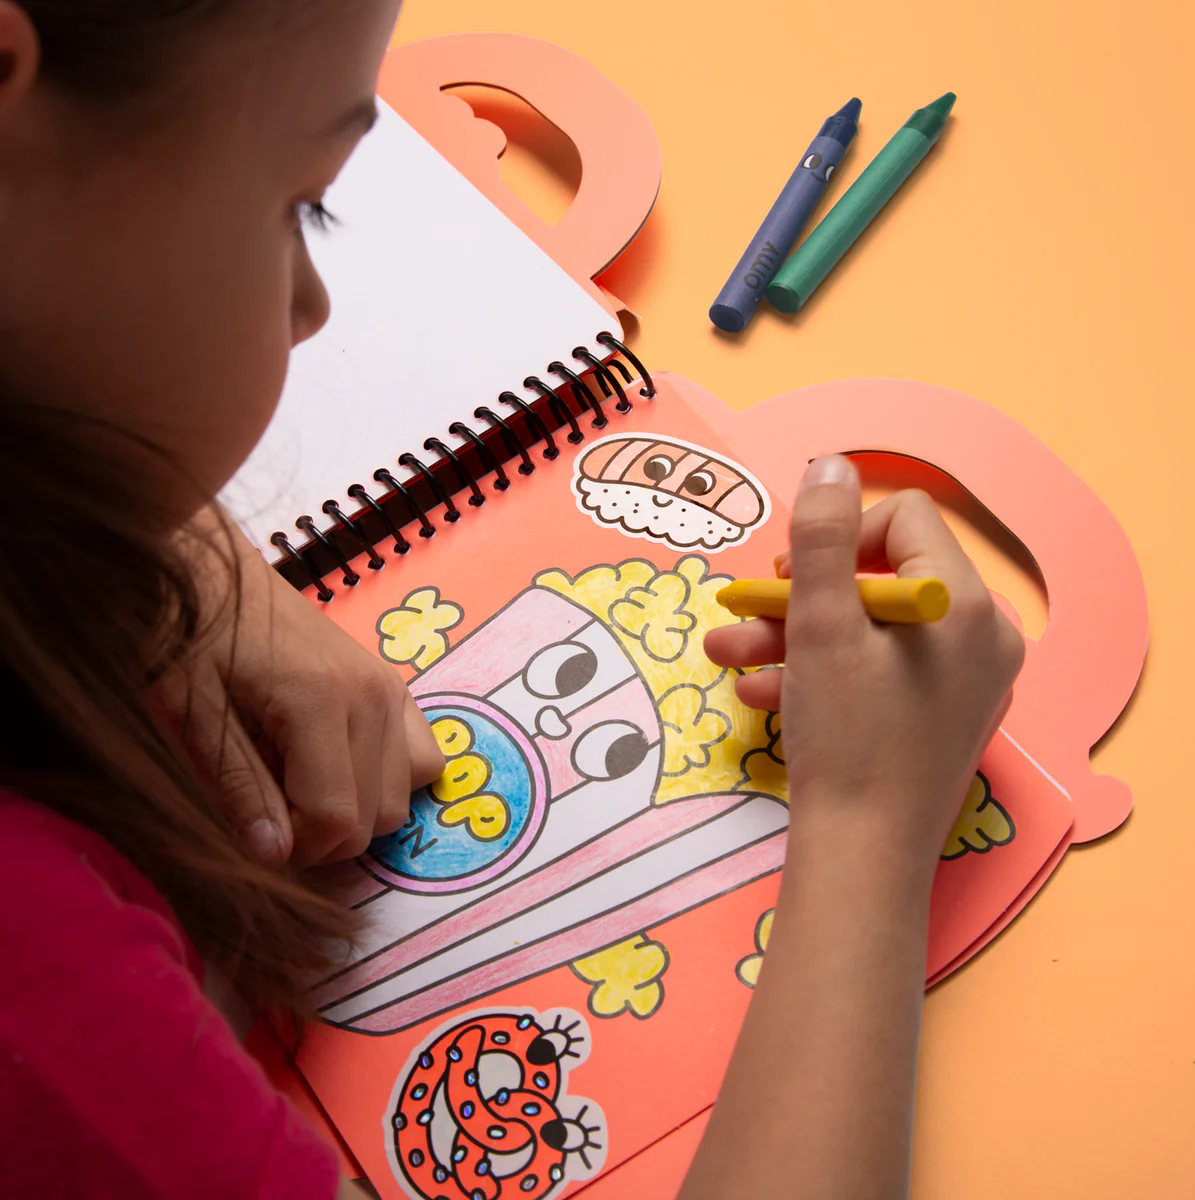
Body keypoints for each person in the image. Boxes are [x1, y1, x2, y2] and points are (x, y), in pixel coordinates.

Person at [0, 1, 1023, 1197]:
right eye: (298, 205)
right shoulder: (41, 992)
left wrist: (160, 533)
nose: (313, 305)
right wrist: (867, 826)